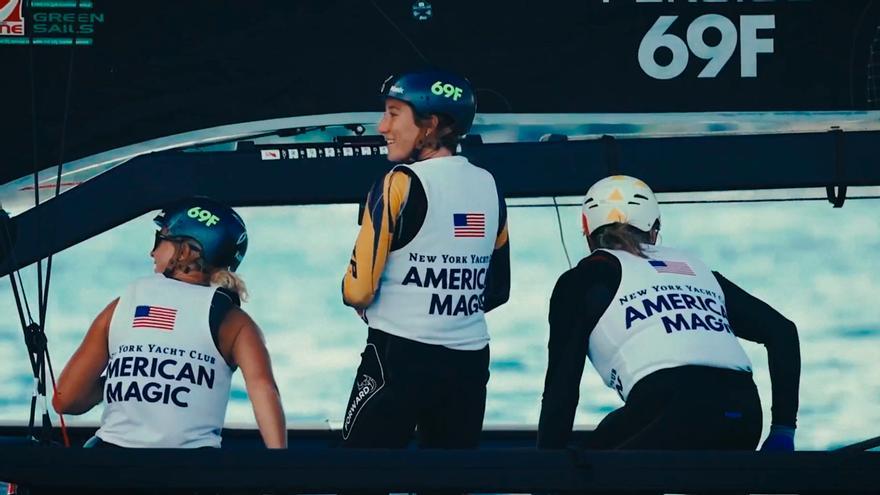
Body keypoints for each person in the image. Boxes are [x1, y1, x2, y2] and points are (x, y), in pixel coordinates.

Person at [537, 175, 800, 451]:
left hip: (670, 411)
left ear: (588, 234)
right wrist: (783, 430)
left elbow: (561, 390)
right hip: (742, 412)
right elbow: (783, 332)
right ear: (655, 230)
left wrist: (546, 474)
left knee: (587, 466)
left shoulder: (584, 279)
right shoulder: (698, 269)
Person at [340, 69, 510, 448]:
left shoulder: (398, 181)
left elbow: (358, 290)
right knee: (449, 480)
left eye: (394, 113)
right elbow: (498, 290)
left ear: (431, 125)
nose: (383, 126)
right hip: (469, 362)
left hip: (398, 356)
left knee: (358, 475)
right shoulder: (489, 184)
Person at [52, 198, 287, 449]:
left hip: (112, 466)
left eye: (159, 240)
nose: (151, 252)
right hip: (190, 473)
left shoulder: (124, 304)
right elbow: (264, 391)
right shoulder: (235, 322)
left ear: (186, 251)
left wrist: (128, 380)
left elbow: (66, 400)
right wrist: (281, 471)